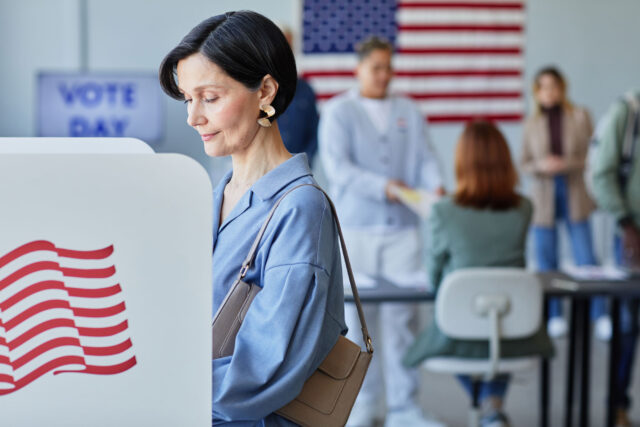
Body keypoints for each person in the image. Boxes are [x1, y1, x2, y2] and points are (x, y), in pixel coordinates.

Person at [159, 11, 347, 426]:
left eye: (210, 98)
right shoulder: (215, 197)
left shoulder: (301, 209)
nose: (193, 117)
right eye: (188, 99)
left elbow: (262, 370)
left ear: (264, 90)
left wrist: (159, 387)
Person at [319, 36, 445, 427]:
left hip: (403, 234)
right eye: (377, 67)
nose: (384, 75)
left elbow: (426, 158)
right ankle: (363, 406)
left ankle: (405, 408)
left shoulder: (409, 109)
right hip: (357, 232)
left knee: (402, 322)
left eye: (389, 67)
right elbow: (339, 170)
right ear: (359, 68)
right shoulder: (339, 111)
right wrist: (384, 187)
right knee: (358, 326)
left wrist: (436, 186)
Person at [404, 120, 554, 427]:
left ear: (462, 161)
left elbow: (434, 279)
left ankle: (487, 404)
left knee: (435, 338)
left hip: (459, 333)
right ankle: (492, 405)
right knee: (498, 333)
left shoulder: (444, 211)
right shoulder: (524, 208)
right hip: (517, 332)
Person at [521, 66, 601, 338]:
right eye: (543, 87)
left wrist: (567, 163)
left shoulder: (579, 116)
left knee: (585, 256)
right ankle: (554, 315)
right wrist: (542, 165)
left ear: (561, 88)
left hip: (574, 189)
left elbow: (594, 157)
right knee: (546, 259)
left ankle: (598, 314)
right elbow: (524, 163)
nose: (549, 92)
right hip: (543, 194)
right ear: (537, 92)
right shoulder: (531, 124)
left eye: (553, 86)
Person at [591, 90, 640, 427]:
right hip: (633, 233)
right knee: (627, 325)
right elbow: (602, 174)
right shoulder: (628, 113)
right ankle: (617, 407)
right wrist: (626, 224)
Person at [277, 27, 320, 162]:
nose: (284, 51)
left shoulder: (306, 89)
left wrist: (305, 161)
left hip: (299, 170)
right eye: (279, 45)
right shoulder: (256, 88)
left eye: (288, 46)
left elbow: (314, 131)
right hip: (262, 170)